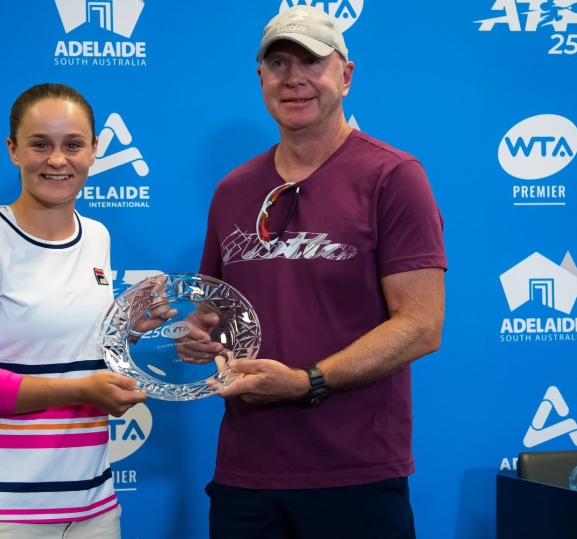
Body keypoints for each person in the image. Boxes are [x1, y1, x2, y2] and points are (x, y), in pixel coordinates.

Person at [198, 5, 447, 538]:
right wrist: (187, 333)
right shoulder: (232, 191)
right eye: (280, 64)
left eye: (312, 62)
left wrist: (305, 382)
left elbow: (421, 325)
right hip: (247, 474)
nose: (295, 80)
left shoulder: (393, 177)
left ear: (346, 76)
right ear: (261, 78)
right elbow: (216, 317)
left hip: (354, 473)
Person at [0, 83, 147, 539]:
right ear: (13, 150)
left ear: (94, 151)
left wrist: (134, 332)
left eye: (73, 145)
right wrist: (81, 389)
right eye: (39, 144)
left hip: (92, 503)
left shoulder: (97, 237)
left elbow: (74, 346)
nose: (56, 160)